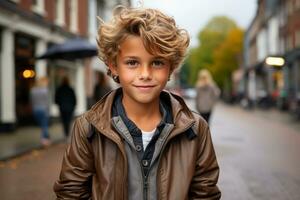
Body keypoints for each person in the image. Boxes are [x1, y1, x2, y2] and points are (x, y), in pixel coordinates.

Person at [54, 6, 221, 199]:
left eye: (157, 62)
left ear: (171, 68)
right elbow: (71, 193)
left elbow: (205, 195)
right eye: (132, 62)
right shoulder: (88, 128)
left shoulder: (196, 129)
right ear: (113, 66)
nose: (145, 75)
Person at [30, 77, 51, 147]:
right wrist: (48, 111)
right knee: (44, 125)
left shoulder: (33, 90)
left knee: (42, 125)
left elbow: (32, 101)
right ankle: (44, 139)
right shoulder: (45, 90)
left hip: (35, 109)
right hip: (44, 109)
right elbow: (47, 102)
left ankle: (45, 138)